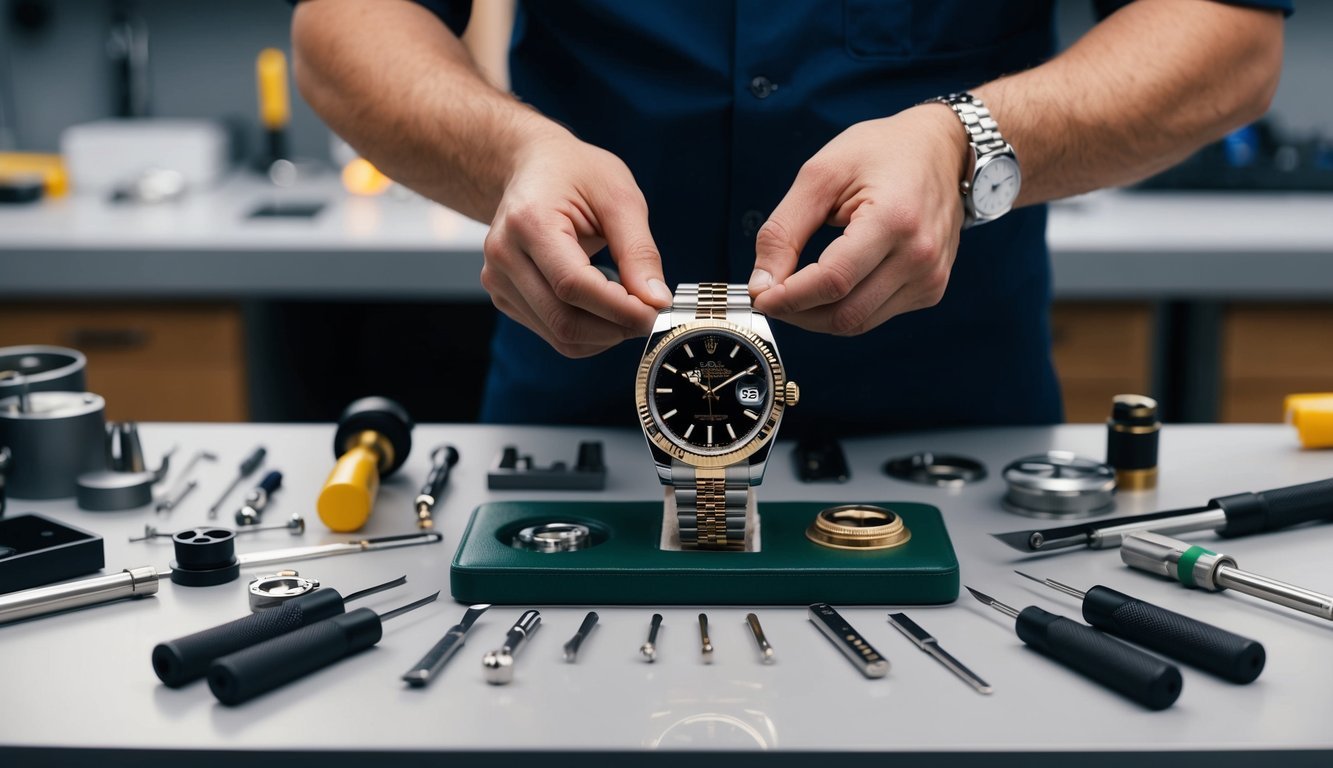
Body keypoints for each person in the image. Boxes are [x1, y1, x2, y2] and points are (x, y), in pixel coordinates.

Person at [291, 0, 1287, 435]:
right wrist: (512, 153)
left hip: (949, 429)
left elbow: (1231, 37)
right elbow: (343, 25)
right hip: (580, 418)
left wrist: (965, 141)